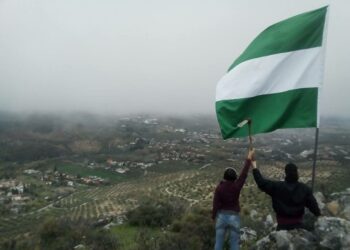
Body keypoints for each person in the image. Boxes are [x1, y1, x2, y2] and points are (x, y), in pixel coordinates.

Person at [252, 159, 321, 230]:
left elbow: (261, 182)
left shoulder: (277, 187)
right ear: (297, 173)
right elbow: (313, 206)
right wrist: (319, 215)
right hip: (298, 226)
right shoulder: (304, 189)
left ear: (286, 173)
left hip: (282, 226)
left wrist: (254, 166)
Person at [212, 148, 254, 250]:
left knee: (218, 243)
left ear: (224, 177)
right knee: (234, 243)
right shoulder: (236, 186)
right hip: (234, 217)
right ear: (235, 177)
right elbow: (244, 174)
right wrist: (249, 158)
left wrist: (213, 217)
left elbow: (215, 204)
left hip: (221, 216)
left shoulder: (219, 188)